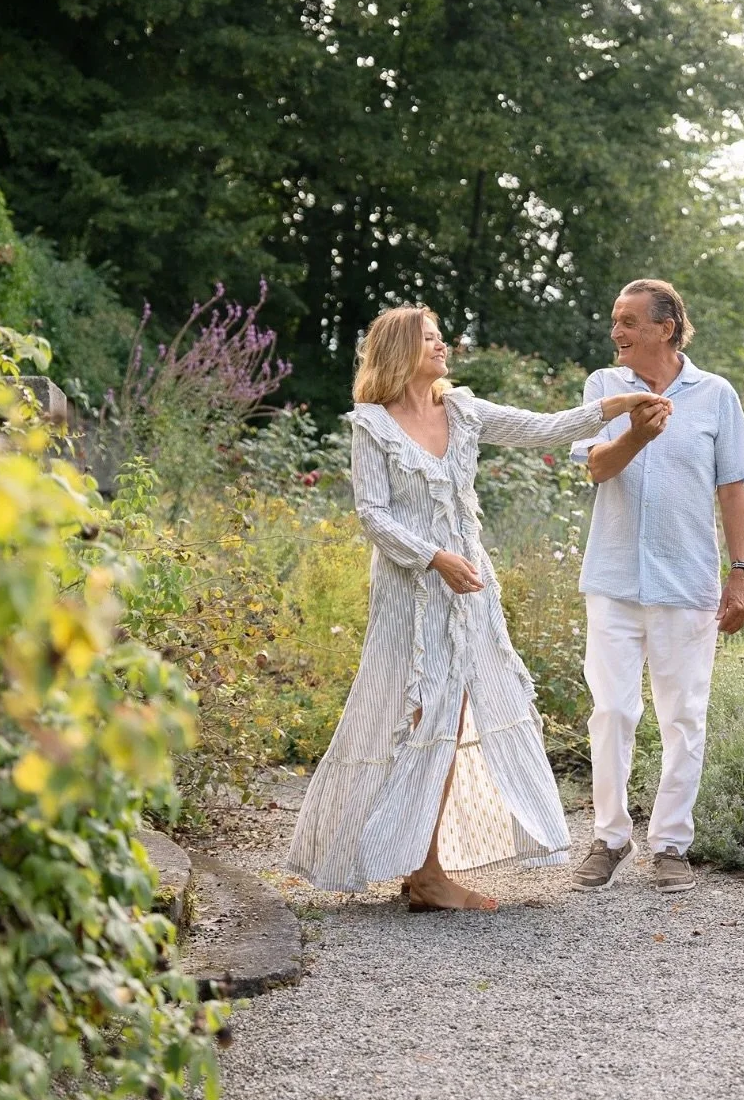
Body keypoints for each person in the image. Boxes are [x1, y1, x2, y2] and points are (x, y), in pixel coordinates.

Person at [286, 305, 668, 912]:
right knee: (411, 714)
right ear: (398, 352)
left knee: (456, 709)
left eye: (441, 338)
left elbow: (544, 428)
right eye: (430, 339)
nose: (443, 347)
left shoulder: (462, 409)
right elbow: (372, 515)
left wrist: (614, 409)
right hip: (410, 595)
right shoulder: (373, 426)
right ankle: (418, 871)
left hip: (469, 592)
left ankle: (424, 870)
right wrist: (434, 556)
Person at [569, 279, 744, 894]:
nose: (616, 332)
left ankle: (671, 845)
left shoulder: (715, 395)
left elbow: (733, 488)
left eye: (628, 321)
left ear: (666, 327)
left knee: (684, 717)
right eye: (614, 320)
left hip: (687, 583)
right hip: (614, 578)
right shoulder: (605, 388)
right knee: (612, 710)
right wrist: (637, 434)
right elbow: (596, 467)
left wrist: (740, 574)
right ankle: (609, 838)